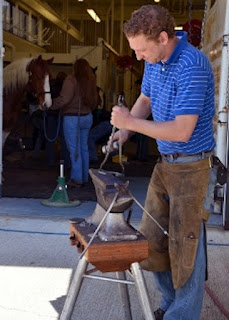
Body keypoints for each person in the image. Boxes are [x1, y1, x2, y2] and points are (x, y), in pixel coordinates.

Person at [110, 5, 215, 320]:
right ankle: (171, 303)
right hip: (166, 165)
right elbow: (146, 99)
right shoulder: (155, 61)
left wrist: (132, 121)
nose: (139, 56)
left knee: (186, 250)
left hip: (192, 168)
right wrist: (126, 130)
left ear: (164, 37)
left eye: (142, 49)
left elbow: (183, 131)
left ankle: (182, 315)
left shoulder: (192, 65)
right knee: (152, 241)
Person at [50, 58, 98, 187]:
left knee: (74, 149)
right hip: (87, 116)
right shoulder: (91, 80)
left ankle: (76, 179)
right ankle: (84, 177)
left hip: (72, 117)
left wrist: (50, 105)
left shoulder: (71, 80)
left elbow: (64, 99)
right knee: (84, 148)